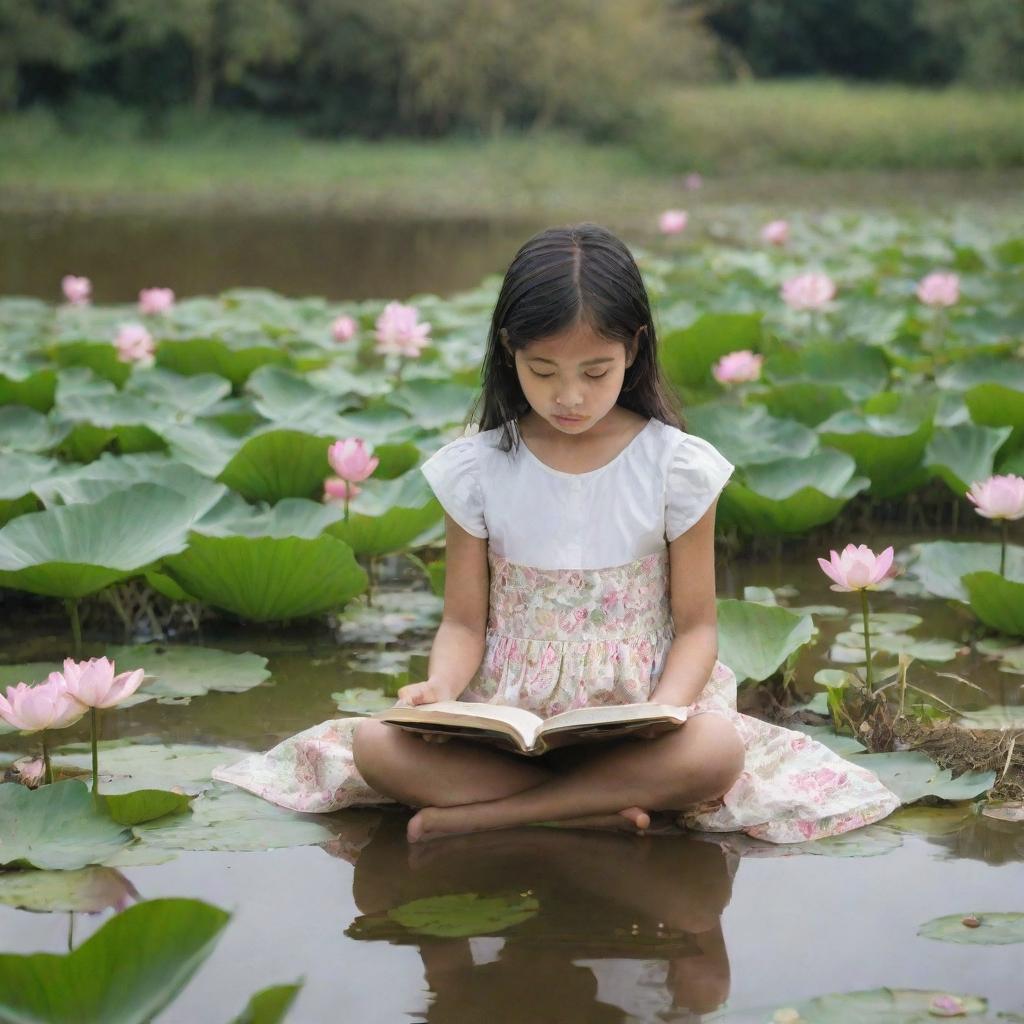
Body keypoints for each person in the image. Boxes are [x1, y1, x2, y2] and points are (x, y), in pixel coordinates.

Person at [212, 223, 902, 845]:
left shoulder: (675, 465)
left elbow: (696, 628)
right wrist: (439, 690)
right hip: (509, 723)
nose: (569, 396)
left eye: (593, 372)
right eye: (544, 372)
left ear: (632, 351)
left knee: (716, 750)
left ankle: (499, 815)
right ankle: (591, 810)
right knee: (373, 745)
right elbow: (462, 622)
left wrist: (662, 712)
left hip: (633, 725)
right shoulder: (477, 469)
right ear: (509, 351)